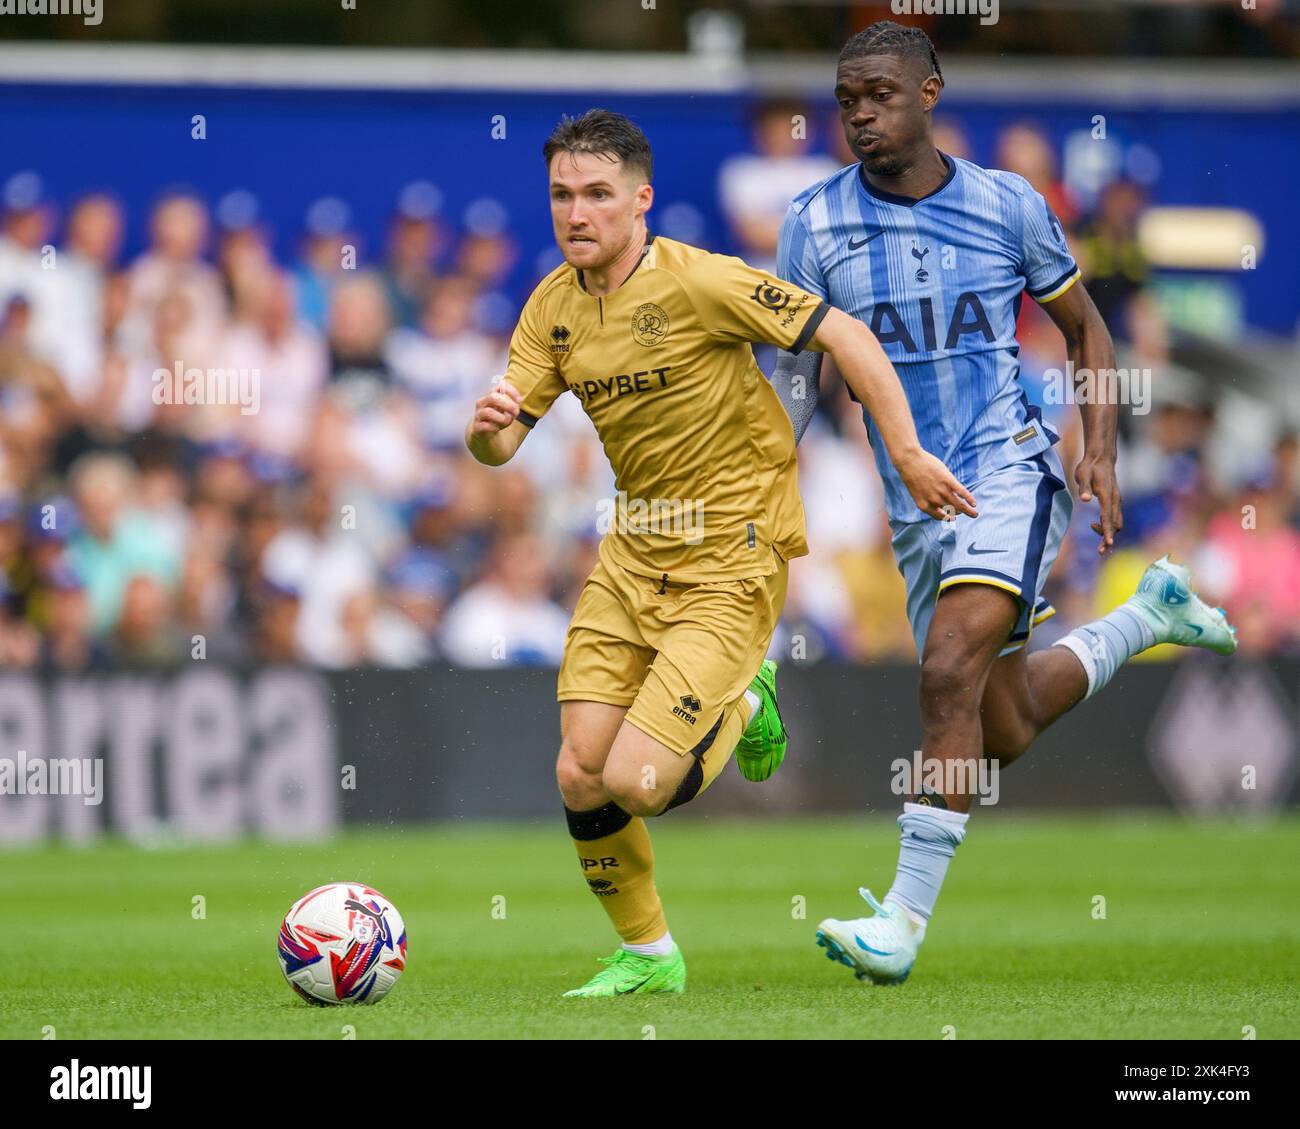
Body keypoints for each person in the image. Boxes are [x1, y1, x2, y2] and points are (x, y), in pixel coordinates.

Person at [768, 21, 1238, 985]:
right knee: (1001, 725)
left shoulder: (1006, 205)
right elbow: (793, 374)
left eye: (879, 96)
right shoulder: (811, 224)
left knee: (945, 673)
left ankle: (900, 918)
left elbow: (1087, 325)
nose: (860, 114)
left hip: (1008, 468)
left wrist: (1098, 447)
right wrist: (766, 476)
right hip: (912, 503)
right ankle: (1149, 614)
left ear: (930, 92)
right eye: (846, 99)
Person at [466, 108, 972, 998]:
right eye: (560, 195)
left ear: (641, 201)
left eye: (596, 195)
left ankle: (748, 689)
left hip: (729, 552)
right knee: (581, 768)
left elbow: (844, 335)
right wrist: (488, 435)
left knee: (641, 779)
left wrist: (904, 450)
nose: (575, 213)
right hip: (632, 553)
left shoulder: (700, 282)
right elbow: (501, 448)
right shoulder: (551, 307)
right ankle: (651, 954)